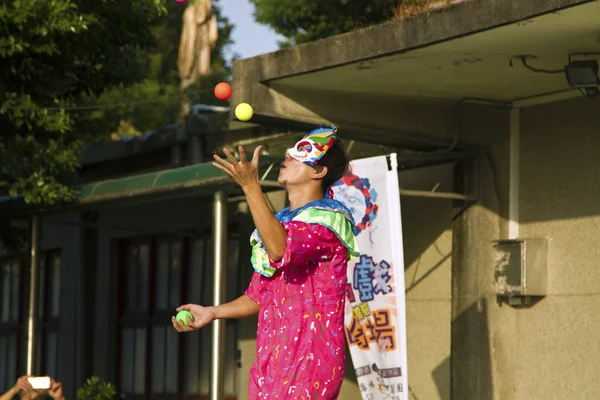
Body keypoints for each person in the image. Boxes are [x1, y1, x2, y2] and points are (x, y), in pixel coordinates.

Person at [172, 124, 359, 399]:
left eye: (301, 153)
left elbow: (279, 249)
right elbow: (258, 296)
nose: (288, 155)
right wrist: (213, 311)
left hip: (309, 364)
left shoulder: (328, 222)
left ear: (319, 172)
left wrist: (250, 186)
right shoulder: (279, 223)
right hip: (270, 364)